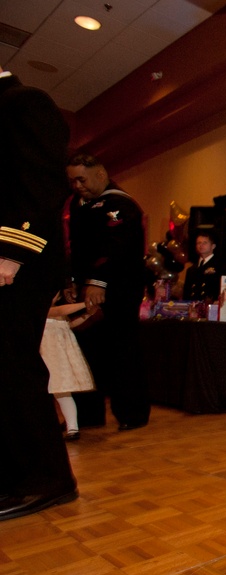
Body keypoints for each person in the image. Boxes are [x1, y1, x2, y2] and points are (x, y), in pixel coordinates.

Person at [0, 65, 80, 521]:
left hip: (15, 261)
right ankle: (15, 474)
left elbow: (40, 183)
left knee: (13, 365)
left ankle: (47, 477)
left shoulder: (23, 101)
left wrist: (12, 249)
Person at [65, 152, 150, 431]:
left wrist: (97, 282)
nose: (77, 185)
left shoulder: (119, 204)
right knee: (87, 351)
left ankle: (132, 415)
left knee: (122, 350)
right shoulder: (79, 206)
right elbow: (78, 251)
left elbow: (115, 248)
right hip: (88, 288)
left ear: (100, 174)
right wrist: (74, 281)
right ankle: (89, 416)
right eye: (72, 180)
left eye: (82, 179)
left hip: (119, 289)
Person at [41, 296, 96, 440]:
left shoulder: (59, 312)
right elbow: (59, 310)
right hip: (48, 354)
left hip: (61, 355)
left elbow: (69, 324)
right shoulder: (42, 309)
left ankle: (72, 428)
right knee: (55, 392)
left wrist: (88, 314)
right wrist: (87, 303)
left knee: (63, 392)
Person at [182, 231, 226, 301]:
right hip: (193, 307)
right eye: (199, 243)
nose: (201, 245)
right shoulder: (191, 269)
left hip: (212, 307)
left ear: (213, 246)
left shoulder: (221, 266)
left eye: (205, 243)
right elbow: (186, 294)